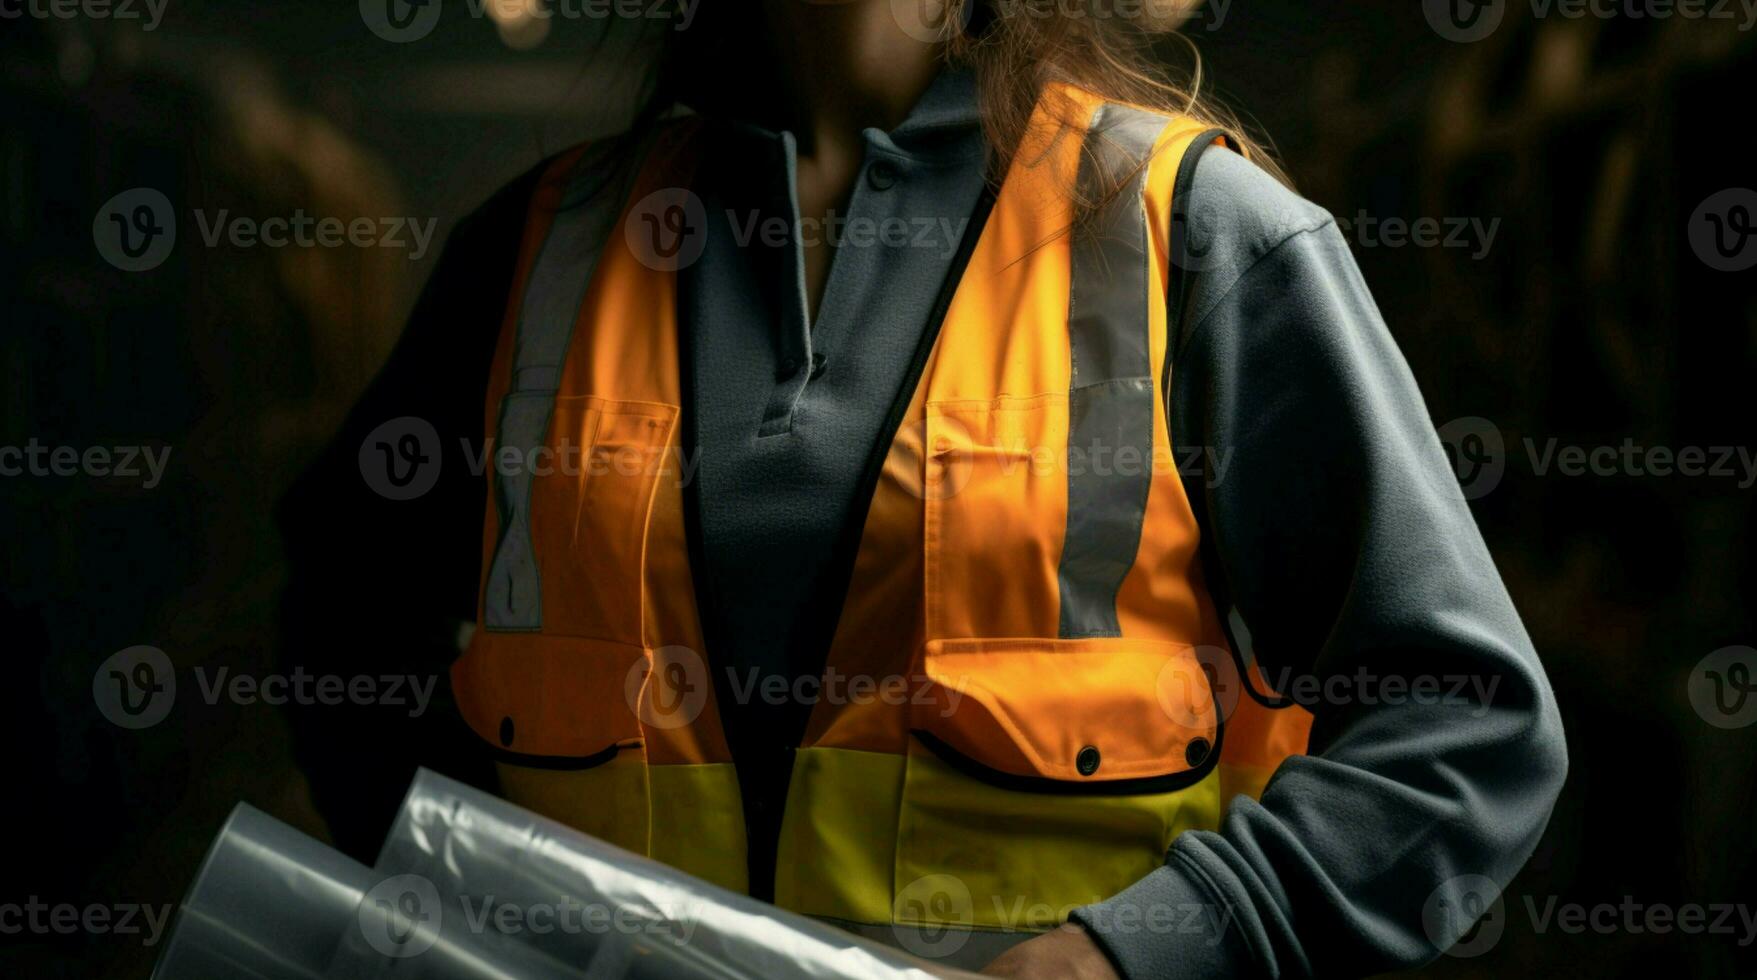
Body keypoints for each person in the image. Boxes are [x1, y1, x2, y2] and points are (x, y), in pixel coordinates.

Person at [281, 2, 1568, 976]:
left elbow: (1467, 722)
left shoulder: (1190, 232)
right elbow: (343, 633)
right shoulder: (540, 244)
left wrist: (1140, 948)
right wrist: (474, 904)